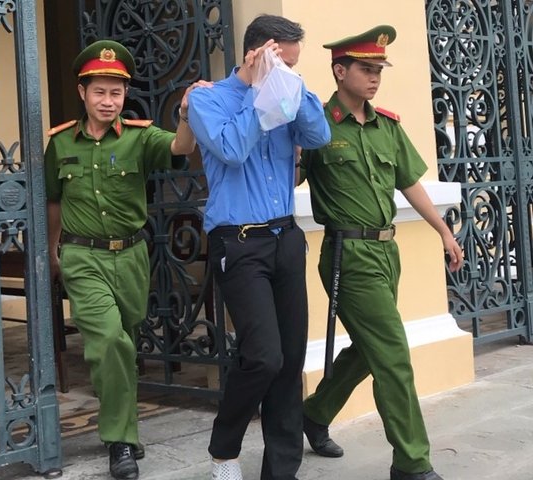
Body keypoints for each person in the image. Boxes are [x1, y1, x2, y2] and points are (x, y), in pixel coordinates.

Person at [299, 25, 464, 480]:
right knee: (392, 354)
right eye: (366, 69)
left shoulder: (386, 125)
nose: (375, 77)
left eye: (379, 70)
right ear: (340, 71)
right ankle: (412, 464)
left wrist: (443, 232)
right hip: (347, 255)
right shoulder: (316, 126)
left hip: (387, 253)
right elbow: (286, 177)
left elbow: (410, 184)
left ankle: (313, 413)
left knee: (370, 348)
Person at [44, 40, 205, 480]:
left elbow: (180, 147)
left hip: (131, 256)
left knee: (125, 346)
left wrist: (186, 114)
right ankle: (119, 440)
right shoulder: (60, 143)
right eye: (99, 92)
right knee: (110, 341)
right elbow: (54, 200)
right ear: (82, 92)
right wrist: (52, 250)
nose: (108, 101)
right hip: (82, 256)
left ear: (125, 95)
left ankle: (126, 429)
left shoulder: (140, 136)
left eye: (116, 93)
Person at [187, 14, 331, 480]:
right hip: (239, 242)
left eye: (293, 65)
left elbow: (319, 136)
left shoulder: (286, 94)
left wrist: (292, 87)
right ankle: (224, 449)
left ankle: (281, 471)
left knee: (289, 361)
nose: (287, 72)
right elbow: (231, 149)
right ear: (256, 53)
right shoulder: (208, 99)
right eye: (282, 62)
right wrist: (258, 91)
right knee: (264, 356)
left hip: (285, 238)